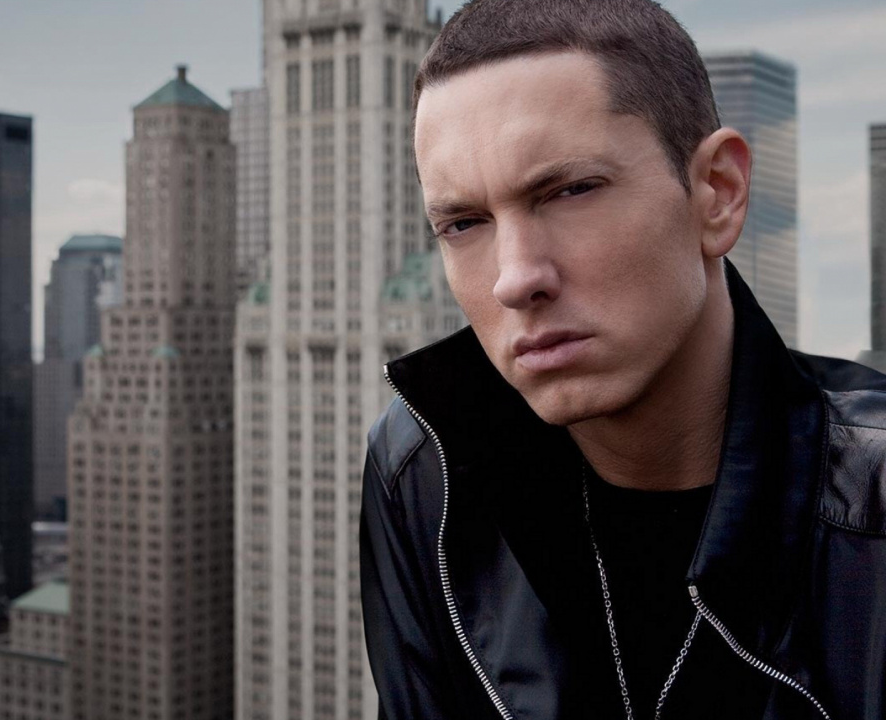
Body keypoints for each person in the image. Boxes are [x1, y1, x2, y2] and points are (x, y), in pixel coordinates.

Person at [360, 0, 886, 718]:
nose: (514, 278)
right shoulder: (424, 470)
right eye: (463, 223)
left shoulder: (871, 506)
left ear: (718, 193)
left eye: (570, 190)